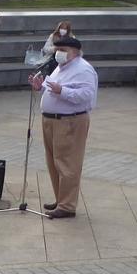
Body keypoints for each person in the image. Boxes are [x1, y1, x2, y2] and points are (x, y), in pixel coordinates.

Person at [31, 36, 98, 219]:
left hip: (69, 121)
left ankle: (67, 205)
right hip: (52, 120)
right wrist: (40, 87)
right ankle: (61, 198)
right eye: (57, 49)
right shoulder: (61, 68)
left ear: (75, 52)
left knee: (68, 163)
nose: (59, 53)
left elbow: (86, 95)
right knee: (54, 162)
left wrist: (63, 91)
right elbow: (52, 87)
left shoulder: (83, 69)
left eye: (63, 50)